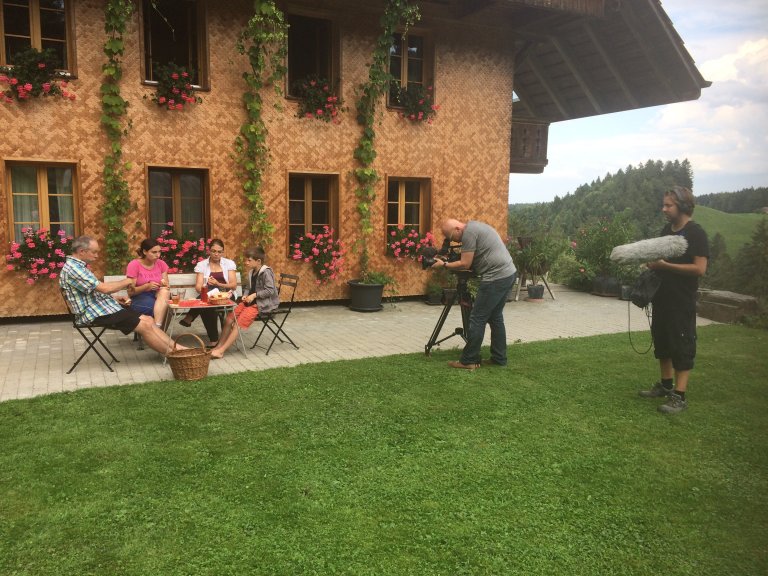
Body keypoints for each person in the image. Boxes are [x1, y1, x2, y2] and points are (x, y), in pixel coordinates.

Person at [639, 185, 709, 414]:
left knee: (681, 343)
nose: (664, 209)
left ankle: (679, 396)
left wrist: (666, 265)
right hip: (662, 297)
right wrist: (651, 263)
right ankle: (665, 385)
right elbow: (658, 259)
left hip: (681, 299)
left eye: (668, 205)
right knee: (663, 340)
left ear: (683, 206)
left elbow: (699, 268)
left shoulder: (695, 233)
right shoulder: (666, 231)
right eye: (664, 205)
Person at [60, 236, 186, 355]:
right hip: (96, 313)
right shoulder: (74, 269)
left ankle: (179, 348)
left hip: (105, 307)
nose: (97, 255)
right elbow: (104, 288)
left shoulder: (78, 267)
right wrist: (127, 281)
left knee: (149, 320)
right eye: (94, 252)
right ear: (82, 251)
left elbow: (92, 291)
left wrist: (114, 298)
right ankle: (175, 355)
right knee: (145, 326)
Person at [430, 219, 517, 369]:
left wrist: (443, 264)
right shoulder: (476, 227)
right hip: (508, 273)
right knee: (495, 317)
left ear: (457, 229)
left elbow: (465, 263)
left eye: (451, 237)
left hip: (495, 278)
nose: (452, 241)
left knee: (477, 318)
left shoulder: (469, 233)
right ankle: (499, 358)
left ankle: (469, 360)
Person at [210, 246, 279, 359]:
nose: (246, 262)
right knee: (228, 319)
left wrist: (254, 295)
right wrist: (246, 294)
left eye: (249, 260)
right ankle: (219, 346)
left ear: (258, 261)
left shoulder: (266, 272)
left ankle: (221, 351)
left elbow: (270, 290)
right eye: (245, 260)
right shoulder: (251, 272)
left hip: (262, 304)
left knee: (238, 322)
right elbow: (248, 287)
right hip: (250, 302)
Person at [178, 238, 238, 347]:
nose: (216, 254)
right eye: (214, 251)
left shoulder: (229, 263)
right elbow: (198, 286)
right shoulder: (202, 265)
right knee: (206, 303)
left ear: (223, 252)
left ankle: (190, 317)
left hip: (226, 295)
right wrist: (206, 287)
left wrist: (218, 284)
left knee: (204, 302)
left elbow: (233, 285)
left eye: (219, 252)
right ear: (209, 251)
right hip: (208, 295)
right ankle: (214, 340)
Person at [125, 238, 170, 326]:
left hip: (159, 295)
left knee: (166, 297)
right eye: (154, 252)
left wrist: (163, 286)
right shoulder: (134, 265)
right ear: (145, 252)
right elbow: (130, 292)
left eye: (159, 252)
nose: (158, 255)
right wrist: (146, 286)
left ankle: (157, 329)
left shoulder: (161, 264)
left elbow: (166, 285)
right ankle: (157, 333)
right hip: (140, 296)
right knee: (157, 306)